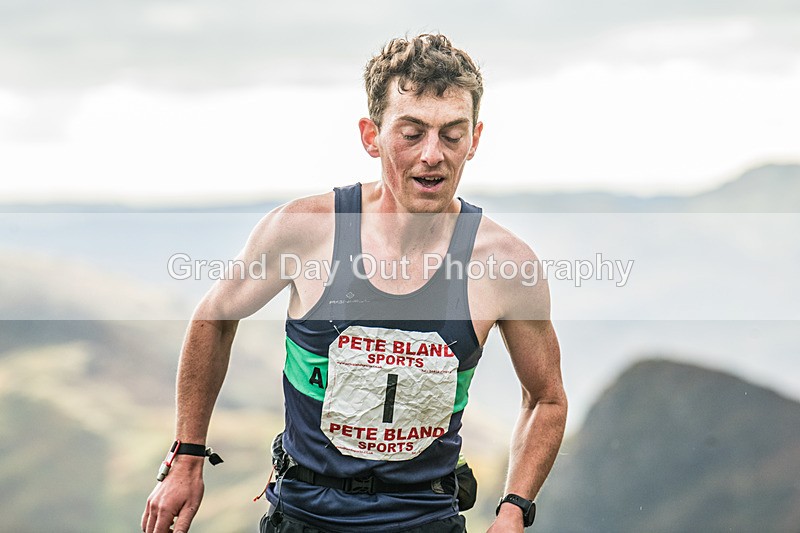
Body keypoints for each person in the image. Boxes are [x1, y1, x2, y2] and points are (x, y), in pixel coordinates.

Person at [142, 33, 567, 533]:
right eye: (412, 133)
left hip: (426, 521)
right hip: (303, 518)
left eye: (452, 135)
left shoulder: (505, 264)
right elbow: (215, 317)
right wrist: (187, 456)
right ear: (371, 136)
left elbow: (546, 398)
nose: (433, 154)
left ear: (474, 140)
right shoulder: (306, 230)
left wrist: (514, 510)